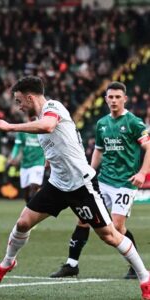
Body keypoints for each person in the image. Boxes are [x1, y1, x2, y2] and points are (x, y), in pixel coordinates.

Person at [0, 76, 150, 300]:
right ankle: (7, 263)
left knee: (110, 235)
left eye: (19, 101)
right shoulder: (38, 117)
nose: (18, 106)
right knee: (23, 222)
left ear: (29, 97)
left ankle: (145, 278)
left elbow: (48, 126)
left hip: (81, 184)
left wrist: (10, 127)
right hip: (57, 184)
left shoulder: (52, 107)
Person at [50, 81, 150, 280]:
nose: (113, 100)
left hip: (125, 182)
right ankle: (72, 264)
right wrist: (89, 171)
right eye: (110, 97)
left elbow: (149, 148)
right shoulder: (102, 124)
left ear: (125, 99)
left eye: (117, 97)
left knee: (117, 227)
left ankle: (135, 266)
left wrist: (142, 173)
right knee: (84, 218)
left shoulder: (134, 123)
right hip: (103, 180)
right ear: (105, 99)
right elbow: (99, 150)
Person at [9, 114, 45, 203]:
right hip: (25, 164)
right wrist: (12, 156)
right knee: (26, 191)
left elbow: (48, 146)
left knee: (34, 186)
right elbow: (17, 145)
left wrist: (48, 158)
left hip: (38, 163)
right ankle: (29, 208)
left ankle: (33, 208)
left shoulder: (42, 130)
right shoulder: (22, 131)